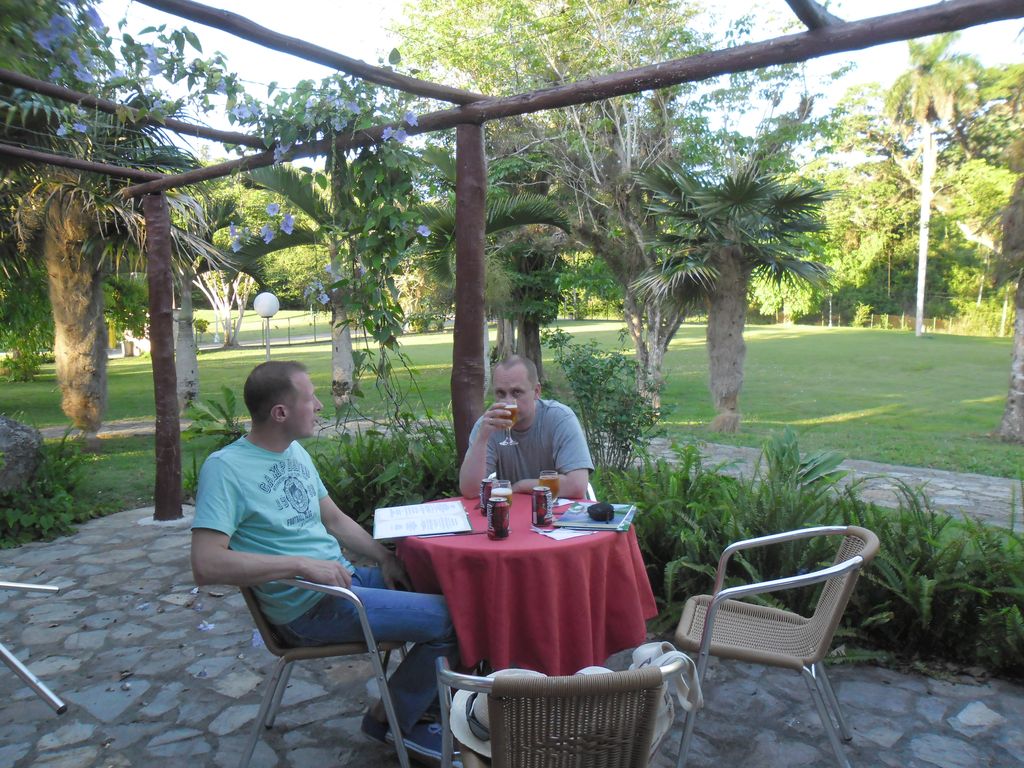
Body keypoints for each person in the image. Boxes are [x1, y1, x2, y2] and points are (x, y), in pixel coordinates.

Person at [191, 360, 457, 767]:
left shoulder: (293, 451)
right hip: (307, 608)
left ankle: (429, 705)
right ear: (281, 413)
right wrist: (299, 565)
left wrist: (384, 557)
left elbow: (333, 519)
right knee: (452, 620)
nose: (319, 406)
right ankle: (394, 721)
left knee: (459, 595)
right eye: (310, 398)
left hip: (344, 583)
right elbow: (207, 564)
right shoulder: (225, 469)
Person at [458, 355, 593, 499]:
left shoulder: (559, 418)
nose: (508, 402)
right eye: (501, 393)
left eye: (516, 392)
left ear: (537, 391)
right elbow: (471, 491)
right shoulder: (488, 426)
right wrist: (482, 438)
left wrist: (521, 486)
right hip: (514, 510)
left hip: (559, 510)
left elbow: (577, 485)